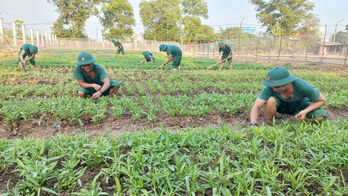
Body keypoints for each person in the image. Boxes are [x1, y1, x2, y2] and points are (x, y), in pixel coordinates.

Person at [250, 67, 327, 126]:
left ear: (288, 83)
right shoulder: (270, 88)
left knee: (320, 116)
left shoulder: (302, 85)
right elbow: (256, 106)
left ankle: (296, 120)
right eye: (272, 86)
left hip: (300, 106)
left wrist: (305, 111)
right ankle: (269, 125)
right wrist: (253, 124)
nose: (273, 89)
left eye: (277, 87)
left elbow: (321, 100)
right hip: (280, 106)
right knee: (270, 101)